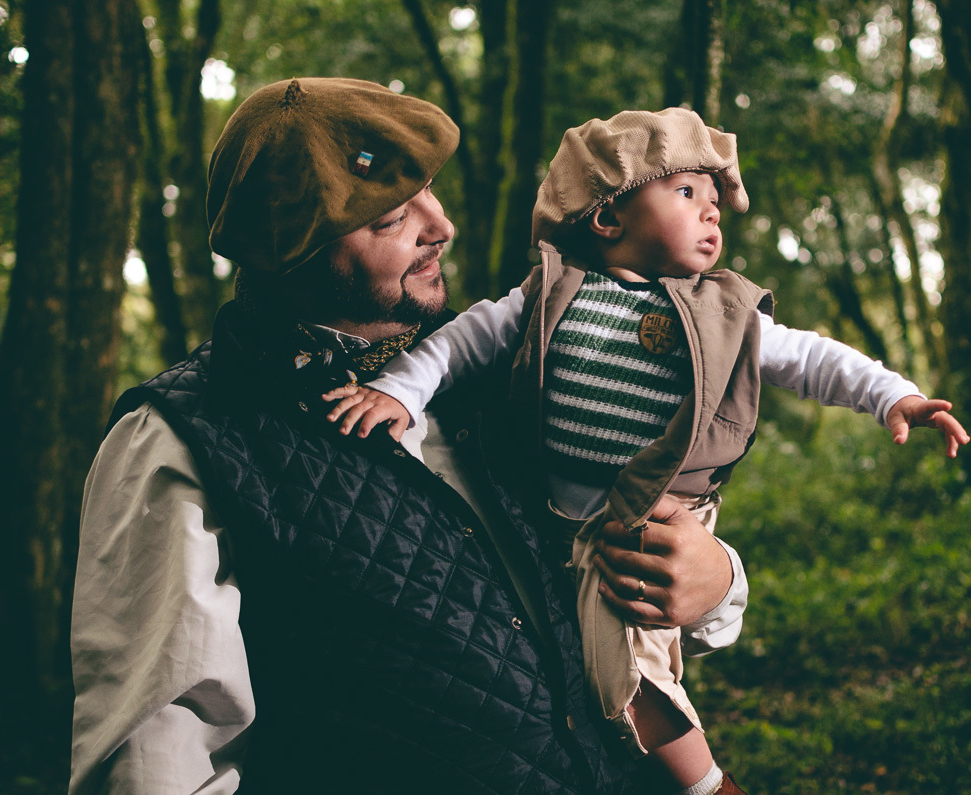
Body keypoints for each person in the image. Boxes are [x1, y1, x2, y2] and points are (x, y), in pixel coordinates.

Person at [68, 79, 755, 794]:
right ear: (294, 250)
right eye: (393, 216)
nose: (441, 224)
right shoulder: (182, 439)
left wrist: (716, 580)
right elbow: (156, 761)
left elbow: (625, 604)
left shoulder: (517, 363)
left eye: (430, 190)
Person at [327, 107, 971, 795]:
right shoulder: (550, 294)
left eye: (716, 200)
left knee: (626, 675)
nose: (712, 213)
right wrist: (399, 391)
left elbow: (811, 358)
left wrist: (891, 396)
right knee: (585, 669)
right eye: (688, 193)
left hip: (647, 520)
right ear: (608, 217)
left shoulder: (723, 311)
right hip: (557, 524)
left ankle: (708, 785)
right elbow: (460, 344)